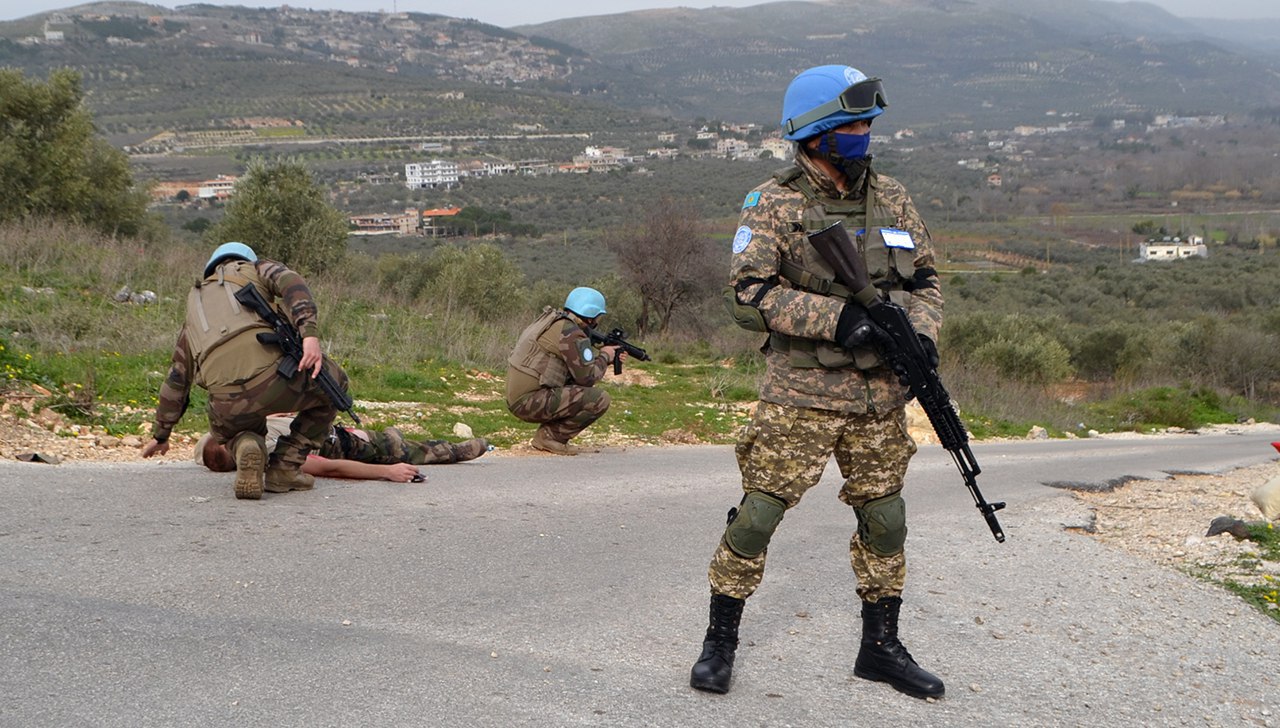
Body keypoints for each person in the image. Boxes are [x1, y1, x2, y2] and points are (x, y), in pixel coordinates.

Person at [691, 65, 946, 699]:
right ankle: (719, 642)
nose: (865, 133)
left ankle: (880, 648)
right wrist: (839, 321)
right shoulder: (773, 202)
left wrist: (923, 336)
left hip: (880, 396)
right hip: (801, 394)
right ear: (819, 133)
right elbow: (748, 293)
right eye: (855, 124)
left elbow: (926, 280)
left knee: (885, 520)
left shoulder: (894, 197)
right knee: (757, 517)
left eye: (868, 123)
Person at [141, 242, 350, 500]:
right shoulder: (257, 269)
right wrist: (309, 334)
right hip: (276, 380)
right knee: (334, 384)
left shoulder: (193, 313)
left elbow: (176, 380)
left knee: (229, 430)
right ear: (246, 260)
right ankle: (285, 467)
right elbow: (291, 281)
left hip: (226, 405)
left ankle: (245, 445)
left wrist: (161, 434)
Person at [195, 415, 491, 482]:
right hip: (349, 446)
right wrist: (387, 472)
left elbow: (205, 450)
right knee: (415, 451)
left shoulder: (228, 434)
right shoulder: (272, 452)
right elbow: (328, 467)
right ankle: (461, 449)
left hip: (332, 427)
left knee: (389, 440)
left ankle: (390, 436)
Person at [505, 287, 622, 455]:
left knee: (576, 388)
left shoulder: (552, 321)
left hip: (517, 398)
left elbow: (575, 371)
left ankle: (547, 435)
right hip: (527, 402)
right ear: (591, 315)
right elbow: (587, 378)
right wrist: (605, 356)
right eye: (598, 317)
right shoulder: (571, 333)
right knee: (599, 399)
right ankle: (550, 437)